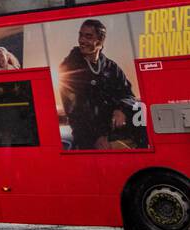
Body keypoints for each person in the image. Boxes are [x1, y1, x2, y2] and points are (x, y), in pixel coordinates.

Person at [58, 19, 146, 150]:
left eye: (88, 36)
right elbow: (77, 111)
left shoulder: (111, 67)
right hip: (89, 138)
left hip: (113, 133)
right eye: (80, 35)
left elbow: (127, 94)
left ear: (100, 41)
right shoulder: (70, 67)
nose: (82, 40)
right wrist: (98, 136)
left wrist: (121, 109)